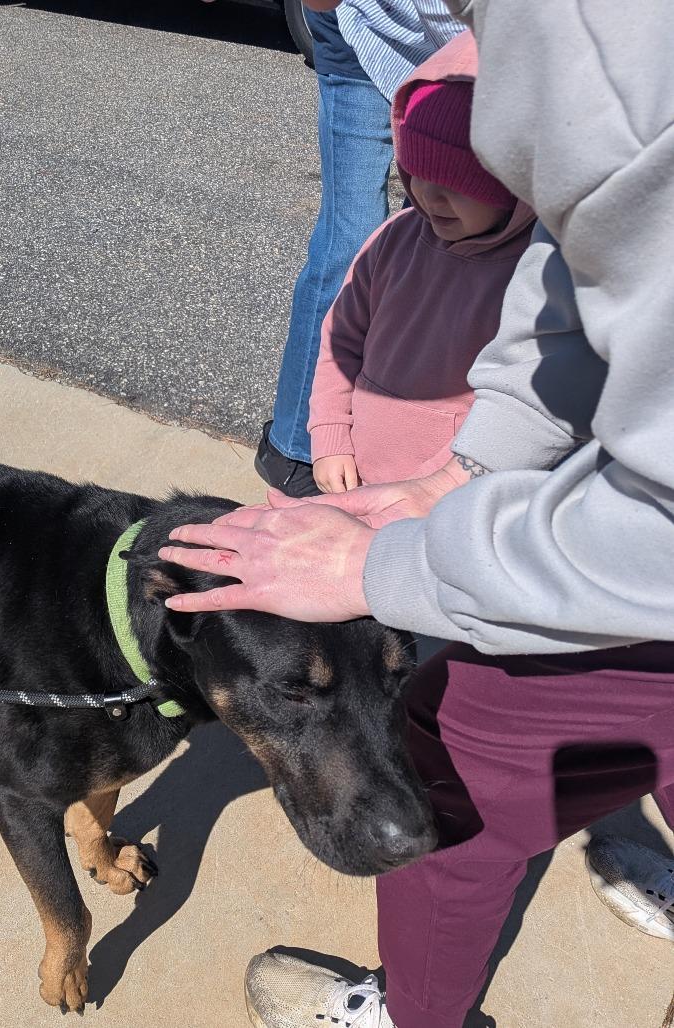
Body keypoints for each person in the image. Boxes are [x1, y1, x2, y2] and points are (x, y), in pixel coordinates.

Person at [159, 0, 674, 1025]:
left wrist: (393, 567)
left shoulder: (591, 40)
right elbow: (580, 279)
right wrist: (453, 476)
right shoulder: (547, 71)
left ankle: (419, 1014)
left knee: (455, 800)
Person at [306, 30, 533, 496]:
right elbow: (340, 339)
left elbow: (521, 410)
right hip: (357, 470)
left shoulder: (533, 278)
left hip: (454, 497)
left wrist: (435, 487)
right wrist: (330, 435)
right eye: (418, 170)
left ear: (518, 179)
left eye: (458, 180)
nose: (430, 196)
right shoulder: (394, 239)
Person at [257, 0, 463, 498]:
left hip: (486, 56)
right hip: (367, 42)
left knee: (492, 257)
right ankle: (294, 446)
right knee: (351, 243)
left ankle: (447, 451)